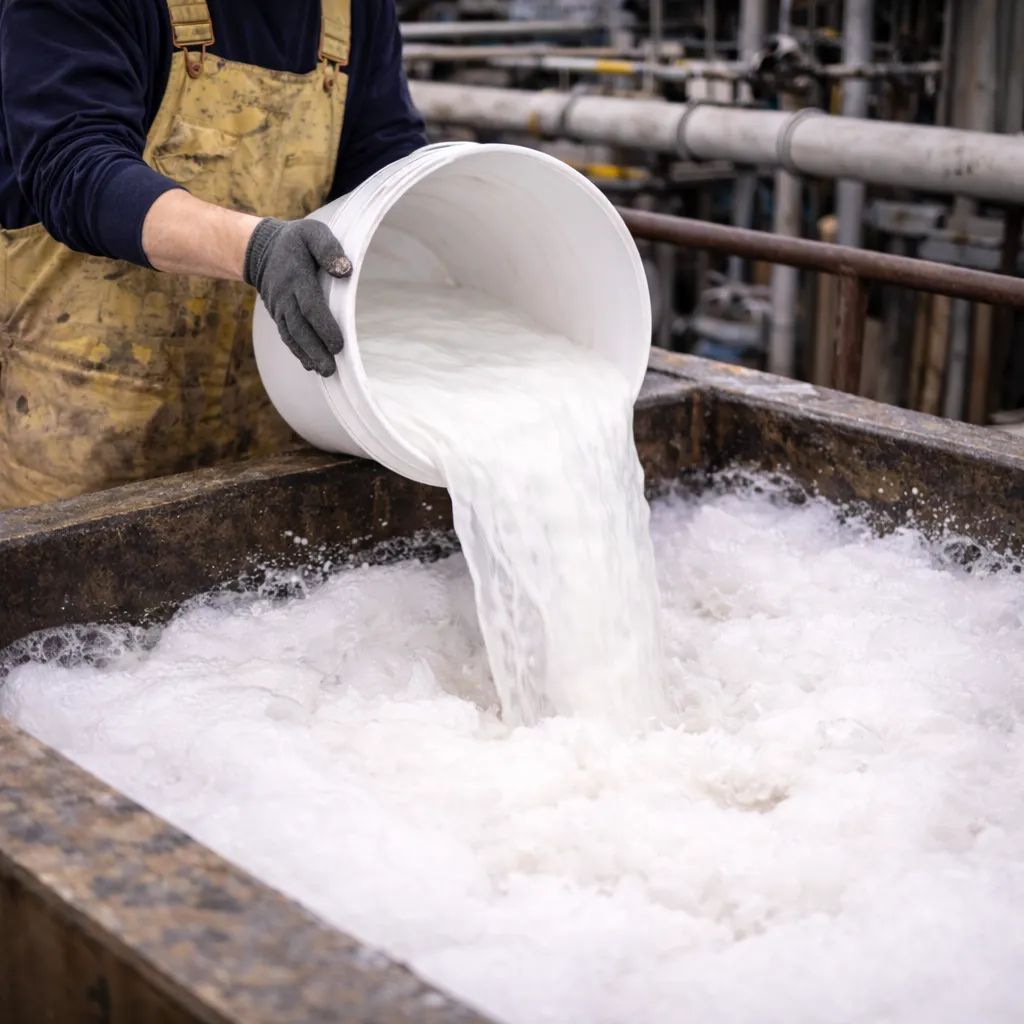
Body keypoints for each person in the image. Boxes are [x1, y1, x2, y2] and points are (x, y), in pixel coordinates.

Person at [0, 0, 427, 509]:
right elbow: (76, 168)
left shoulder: (356, 11)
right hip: (77, 463)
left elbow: (384, 169)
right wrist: (258, 249)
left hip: (269, 455)